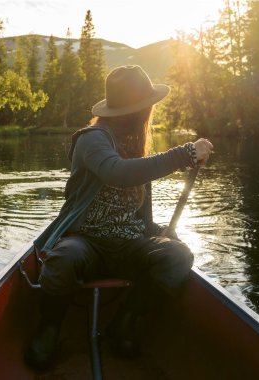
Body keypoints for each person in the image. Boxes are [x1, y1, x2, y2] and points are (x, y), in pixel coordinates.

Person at [25, 65, 214, 369]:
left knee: (177, 256)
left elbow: (136, 204)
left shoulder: (136, 141)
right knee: (62, 260)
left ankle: (124, 322)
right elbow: (119, 173)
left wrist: (156, 230)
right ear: (138, 110)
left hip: (129, 242)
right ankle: (49, 329)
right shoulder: (92, 139)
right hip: (86, 241)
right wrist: (185, 154)